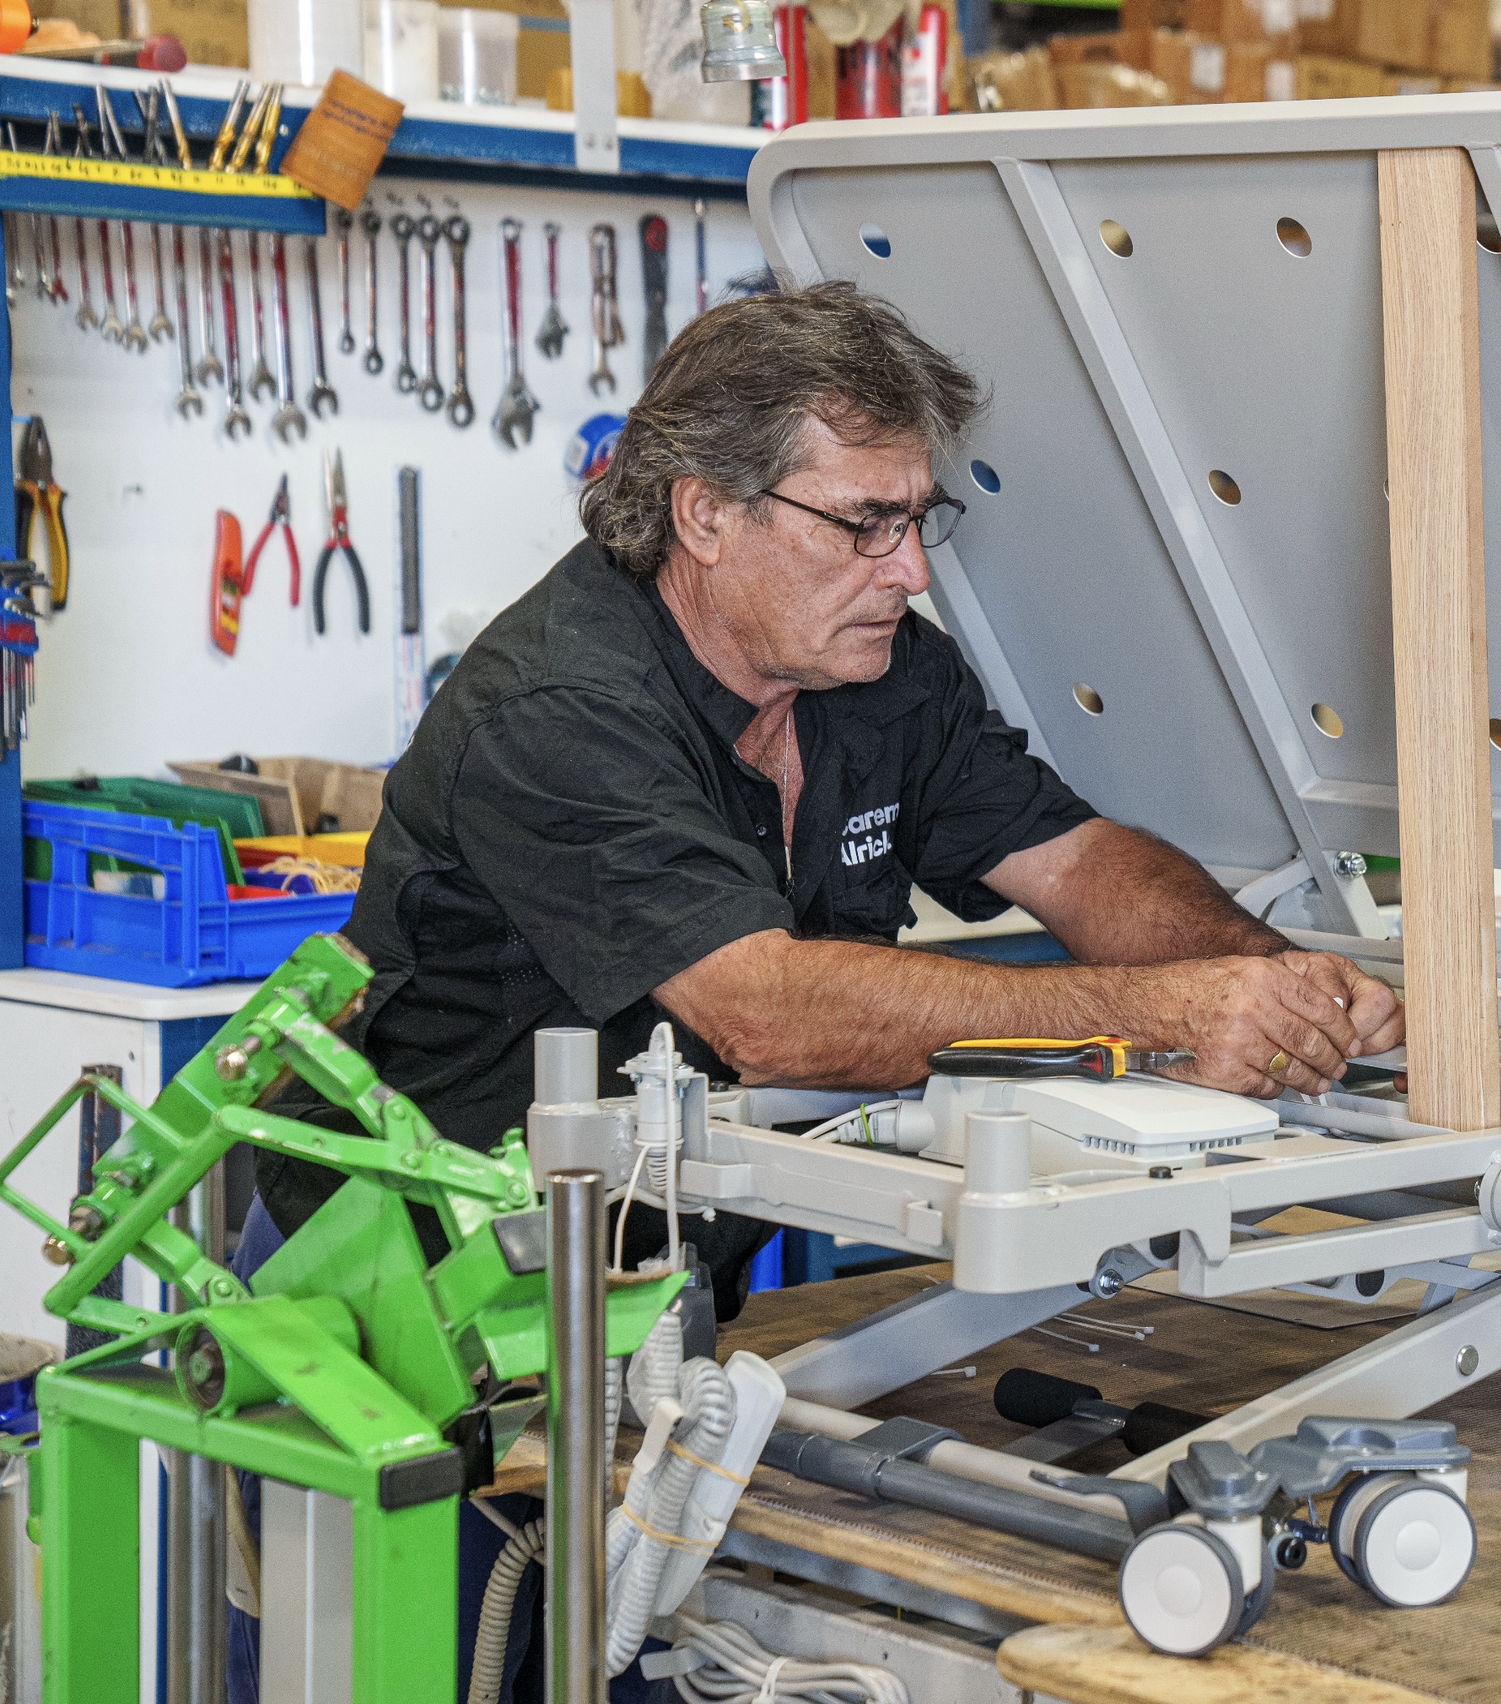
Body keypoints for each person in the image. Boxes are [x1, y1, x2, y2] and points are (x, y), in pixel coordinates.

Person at [228, 278, 1406, 1702]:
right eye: (865, 523)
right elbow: (765, 1012)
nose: (909, 569)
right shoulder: (557, 707)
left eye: (921, 520)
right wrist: (1164, 1019)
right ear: (704, 512)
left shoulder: (879, 674)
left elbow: (1078, 862)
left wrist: (1264, 981)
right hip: (384, 1311)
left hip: (627, 1302)